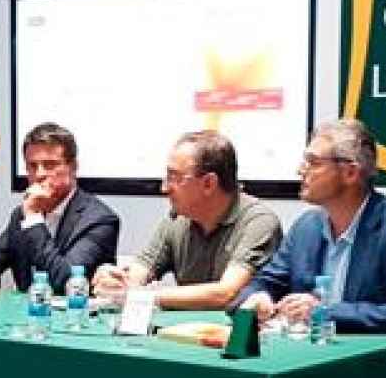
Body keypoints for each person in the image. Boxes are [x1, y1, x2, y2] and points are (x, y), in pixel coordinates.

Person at [237, 119, 386, 333]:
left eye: (314, 162)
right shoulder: (305, 228)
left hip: (370, 360)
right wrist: (259, 297)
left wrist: (326, 313)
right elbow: (264, 282)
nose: (300, 171)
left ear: (350, 173)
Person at [91, 130, 280, 310]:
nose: (164, 188)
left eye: (174, 178)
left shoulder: (258, 222)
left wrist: (144, 296)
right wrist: (114, 281)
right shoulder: (177, 219)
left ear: (209, 183)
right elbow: (137, 275)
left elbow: (227, 293)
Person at [0, 122, 118, 292]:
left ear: (73, 167)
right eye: (32, 166)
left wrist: (33, 219)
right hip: (24, 316)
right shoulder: (22, 214)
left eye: (50, 165)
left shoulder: (99, 220)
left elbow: (65, 283)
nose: (39, 174)